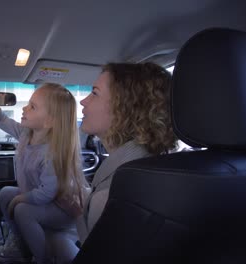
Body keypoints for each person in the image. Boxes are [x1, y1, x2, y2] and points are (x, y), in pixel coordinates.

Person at [0, 70, 90, 263]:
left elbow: (47, 193)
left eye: (32, 107)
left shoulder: (52, 153)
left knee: (22, 210)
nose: (24, 108)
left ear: (50, 121)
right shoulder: (26, 134)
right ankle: (19, 243)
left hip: (61, 208)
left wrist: (20, 198)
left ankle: (42, 258)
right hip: (45, 199)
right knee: (4, 193)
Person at [76, 62, 177, 247]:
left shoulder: (111, 195)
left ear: (125, 108)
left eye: (95, 93)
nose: (84, 101)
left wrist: (76, 213)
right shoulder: (154, 164)